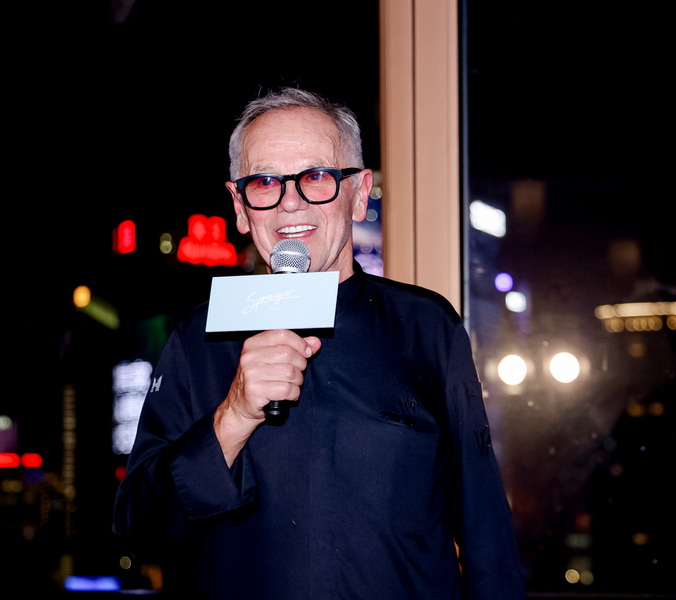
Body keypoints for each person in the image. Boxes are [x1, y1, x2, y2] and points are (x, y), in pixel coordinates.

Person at [112, 87, 525, 599]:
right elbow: (140, 525)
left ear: (359, 193)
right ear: (240, 206)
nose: (290, 202)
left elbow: (487, 538)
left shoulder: (426, 326)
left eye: (316, 177)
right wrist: (233, 416)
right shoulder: (198, 338)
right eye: (265, 181)